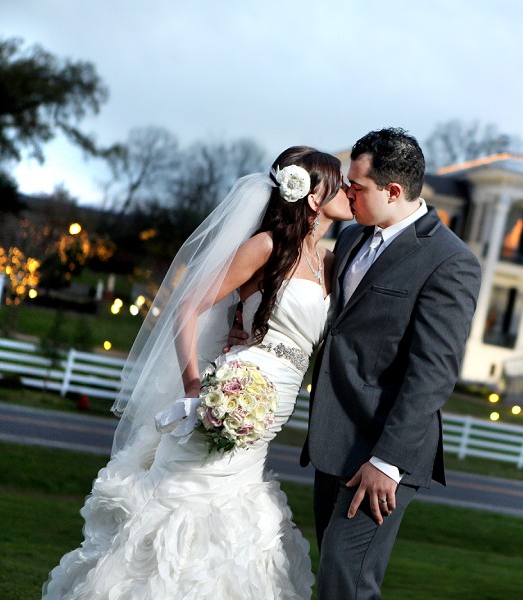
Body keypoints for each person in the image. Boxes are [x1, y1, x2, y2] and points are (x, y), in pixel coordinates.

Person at [42, 146, 353, 600]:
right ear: (310, 196)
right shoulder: (265, 246)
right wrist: (194, 383)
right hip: (232, 393)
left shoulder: (329, 263)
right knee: (186, 505)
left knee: (240, 523)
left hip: (272, 413)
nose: (345, 189)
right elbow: (186, 307)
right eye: (337, 181)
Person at [305, 127, 481, 598]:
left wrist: (387, 462)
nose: (347, 195)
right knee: (335, 574)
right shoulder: (349, 241)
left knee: (348, 580)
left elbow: (434, 371)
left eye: (357, 188)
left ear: (394, 191)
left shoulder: (450, 262)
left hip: (383, 455)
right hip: (331, 439)